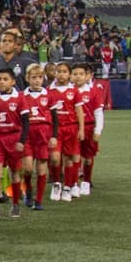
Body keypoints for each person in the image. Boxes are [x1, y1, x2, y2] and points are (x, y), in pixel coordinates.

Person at [0, 67, 31, 219]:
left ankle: (15, 204)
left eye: (5, 79)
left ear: (13, 81)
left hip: (14, 138)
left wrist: (22, 141)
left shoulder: (19, 98)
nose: (1, 82)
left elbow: (26, 121)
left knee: (15, 172)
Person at [21, 64, 59, 210]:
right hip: (28, 134)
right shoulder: (21, 96)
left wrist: (54, 136)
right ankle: (29, 189)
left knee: (42, 167)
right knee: (28, 168)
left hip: (43, 134)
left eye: (40, 77)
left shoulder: (49, 95)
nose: (37, 80)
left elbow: (55, 118)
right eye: (34, 77)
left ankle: (39, 200)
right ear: (27, 78)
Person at [48, 62, 84, 203]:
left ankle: (68, 187)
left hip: (71, 128)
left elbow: (79, 111)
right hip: (55, 129)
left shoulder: (74, 91)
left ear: (69, 74)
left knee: (69, 158)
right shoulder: (49, 90)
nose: (61, 74)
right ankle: (57, 184)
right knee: (55, 158)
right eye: (58, 71)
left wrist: (81, 129)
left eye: (64, 71)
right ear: (54, 73)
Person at [73, 63, 105, 197]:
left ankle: (86, 181)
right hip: (73, 127)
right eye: (75, 74)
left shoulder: (93, 92)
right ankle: (73, 183)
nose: (78, 77)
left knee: (87, 157)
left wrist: (98, 130)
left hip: (89, 127)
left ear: (87, 76)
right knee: (73, 156)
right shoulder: (68, 92)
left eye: (81, 74)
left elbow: (98, 112)